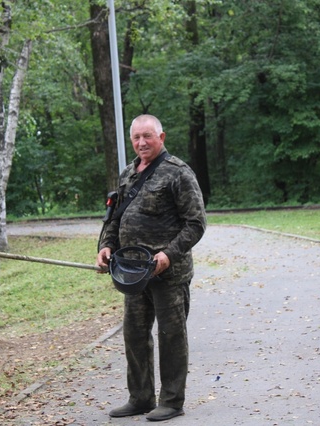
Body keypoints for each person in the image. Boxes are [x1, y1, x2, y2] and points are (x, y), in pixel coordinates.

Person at [96, 114, 207, 421]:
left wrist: (168, 255)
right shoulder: (128, 173)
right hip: (133, 274)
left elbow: (196, 223)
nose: (141, 143)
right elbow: (115, 219)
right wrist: (106, 246)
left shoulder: (178, 173)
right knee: (134, 334)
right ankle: (141, 398)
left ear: (162, 137)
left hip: (169, 274)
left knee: (171, 336)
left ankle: (171, 401)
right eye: (136, 138)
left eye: (147, 136)